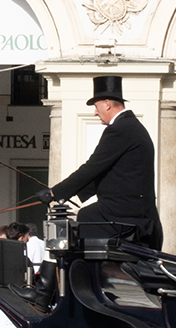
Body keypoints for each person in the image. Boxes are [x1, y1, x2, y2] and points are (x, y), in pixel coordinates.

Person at [35, 76, 160, 249]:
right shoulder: (131, 126)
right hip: (137, 210)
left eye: (96, 106)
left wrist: (55, 192)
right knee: (86, 214)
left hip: (127, 212)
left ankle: (89, 273)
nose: (95, 112)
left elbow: (92, 167)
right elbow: (107, 173)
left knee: (86, 217)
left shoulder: (119, 129)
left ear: (107, 104)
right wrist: (66, 194)